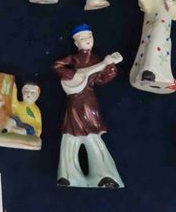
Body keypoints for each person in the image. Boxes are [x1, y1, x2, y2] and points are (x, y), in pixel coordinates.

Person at [52, 25, 123, 188]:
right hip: (73, 101)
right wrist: (74, 75)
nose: (87, 40)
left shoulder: (97, 60)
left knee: (93, 136)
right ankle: (67, 175)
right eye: (82, 38)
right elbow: (56, 66)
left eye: (89, 36)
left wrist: (110, 68)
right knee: (70, 136)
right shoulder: (73, 58)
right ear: (76, 43)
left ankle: (104, 175)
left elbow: (100, 80)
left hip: (89, 102)